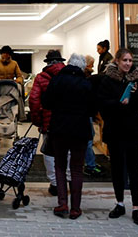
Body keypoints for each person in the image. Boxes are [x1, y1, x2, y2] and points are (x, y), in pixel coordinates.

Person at [97, 47, 138, 225]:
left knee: (134, 170)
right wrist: (120, 103)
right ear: (117, 61)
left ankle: (136, 207)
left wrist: (134, 97)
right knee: (118, 169)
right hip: (115, 131)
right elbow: (103, 106)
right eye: (125, 60)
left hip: (133, 131)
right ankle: (119, 203)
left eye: (130, 60)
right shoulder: (107, 80)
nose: (128, 63)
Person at [42, 53, 96, 219]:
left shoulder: (57, 81)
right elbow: (93, 110)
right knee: (77, 169)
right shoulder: (86, 84)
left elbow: (46, 103)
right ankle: (76, 209)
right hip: (80, 131)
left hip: (59, 129)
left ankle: (62, 204)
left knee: (60, 166)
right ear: (82, 67)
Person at [29, 49, 66, 196]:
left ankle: (55, 184)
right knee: (67, 152)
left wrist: (38, 121)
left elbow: (34, 101)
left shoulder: (41, 77)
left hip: (49, 122)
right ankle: (66, 180)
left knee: (50, 152)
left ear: (48, 62)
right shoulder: (70, 75)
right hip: (68, 122)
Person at [83, 54, 103, 177]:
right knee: (88, 140)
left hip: (86, 112)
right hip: (87, 113)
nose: (93, 66)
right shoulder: (90, 78)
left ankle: (90, 163)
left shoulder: (87, 77)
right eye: (92, 64)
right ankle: (90, 165)